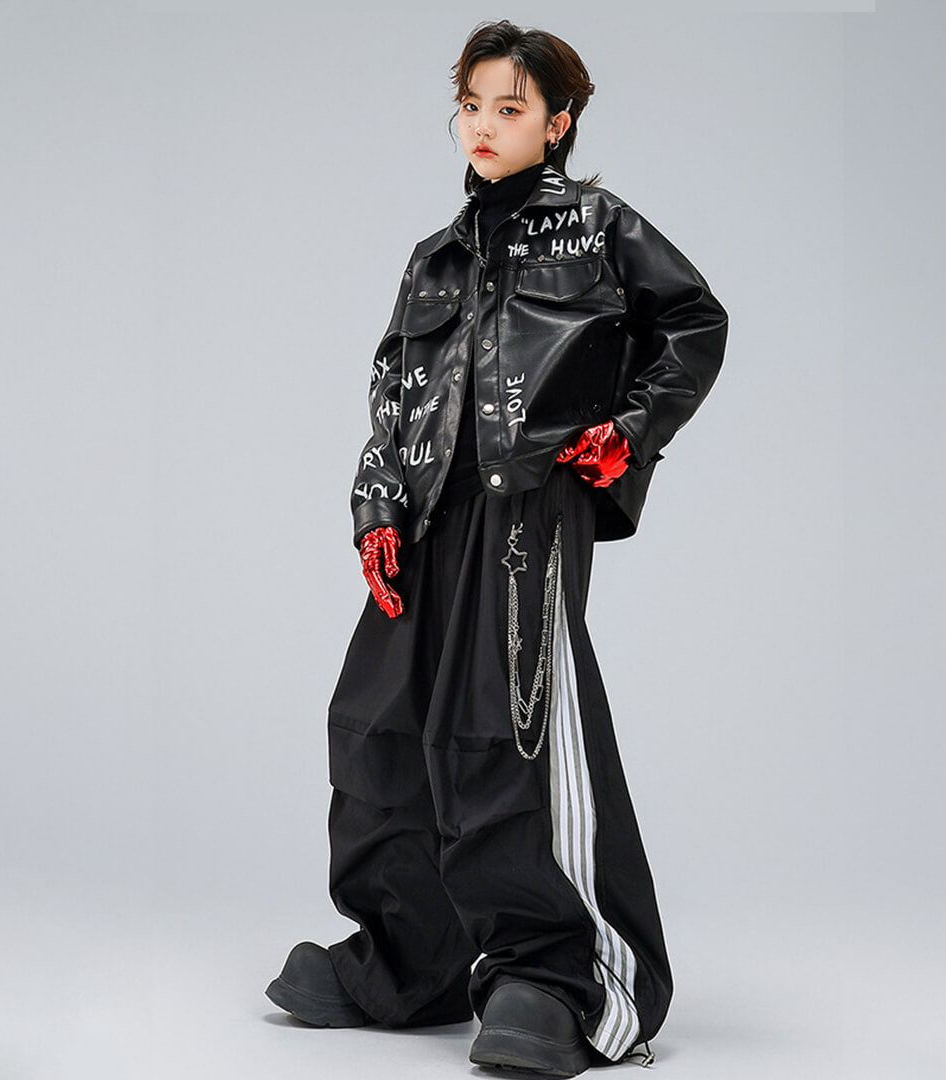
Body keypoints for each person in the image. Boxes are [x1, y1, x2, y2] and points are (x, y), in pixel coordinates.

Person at [265, 19, 728, 1078]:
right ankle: (411, 956)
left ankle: (560, 978)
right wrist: (377, 509)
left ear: (557, 123)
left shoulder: (602, 229)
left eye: (509, 108)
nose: (482, 125)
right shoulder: (434, 258)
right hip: (430, 516)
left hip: (527, 519)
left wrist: (630, 432)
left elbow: (695, 324)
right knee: (380, 725)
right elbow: (392, 396)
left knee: (509, 729)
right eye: (470, 105)